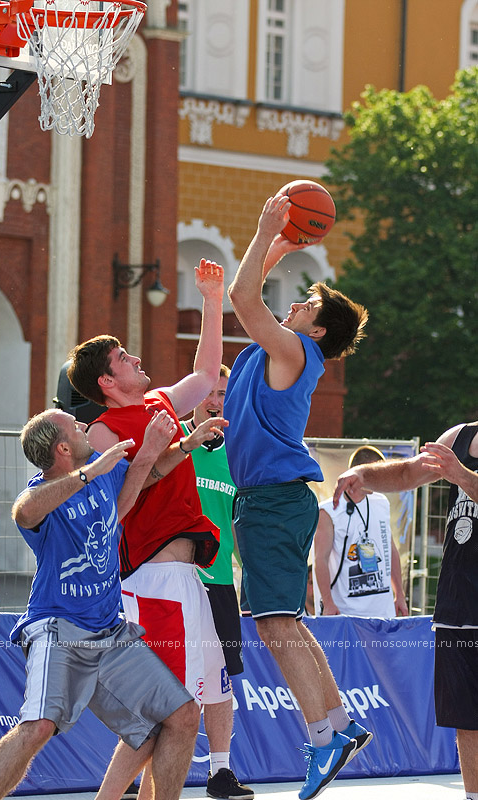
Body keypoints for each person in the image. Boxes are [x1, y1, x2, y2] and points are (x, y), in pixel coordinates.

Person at [68, 260, 248, 800]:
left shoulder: (158, 403)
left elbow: (206, 369)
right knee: (162, 715)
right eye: (124, 357)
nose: (136, 358)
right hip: (153, 581)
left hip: (190, 576)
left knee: (187, 711)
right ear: (106, 381)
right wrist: (154, 453)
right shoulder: (102, 431)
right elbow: (111, 515)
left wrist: (213, 299)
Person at [222, 194, 371, 800]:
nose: (294, 303)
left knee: (276, 622)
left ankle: (321, 735)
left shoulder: (293, 350)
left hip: (274, 501)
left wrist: (263, 231)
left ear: (316, 329)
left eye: (306, 304)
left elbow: (242, 300)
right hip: (274, 501)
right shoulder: (278, 348)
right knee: (287, 621)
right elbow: (248, 296)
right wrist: (278, 247)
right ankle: (339, 721)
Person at [0, 408, 200, 800]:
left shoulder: (99, 464)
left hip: (108, 630)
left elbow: (133, 489)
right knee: (39, 725)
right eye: (75, 426)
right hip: (58, 629)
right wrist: (89, 474)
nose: (83, 426)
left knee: (182, 716)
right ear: (63, 448)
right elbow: (23, 511)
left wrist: (184, 444)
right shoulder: (48, 491)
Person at [333, 423, 478, 800]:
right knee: (466, 720)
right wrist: (362, 475)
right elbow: (405, 473)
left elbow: (463, 478)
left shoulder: (457, 463)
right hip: (457, 606)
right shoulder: (459, 438)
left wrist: (460, 475)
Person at [180, 364, 253, 799]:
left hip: (220, 583)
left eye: (223, 394)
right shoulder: (174, 447)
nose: (215, 401)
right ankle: (140, 771)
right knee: (160, 677)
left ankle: (220, 773)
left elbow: (241, 527)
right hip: (170, 581)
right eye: (209, 392)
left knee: (221, 679)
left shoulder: (239, 455)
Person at [314, 445, 408, 617]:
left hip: (382, 612)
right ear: (361, 473)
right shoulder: (328, 511)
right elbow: (320, 559)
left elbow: (390, 549)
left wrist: (400, 595)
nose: (383, 480)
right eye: (378, 474)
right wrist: (328, 603)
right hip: (345, 613)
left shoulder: (381, 502)